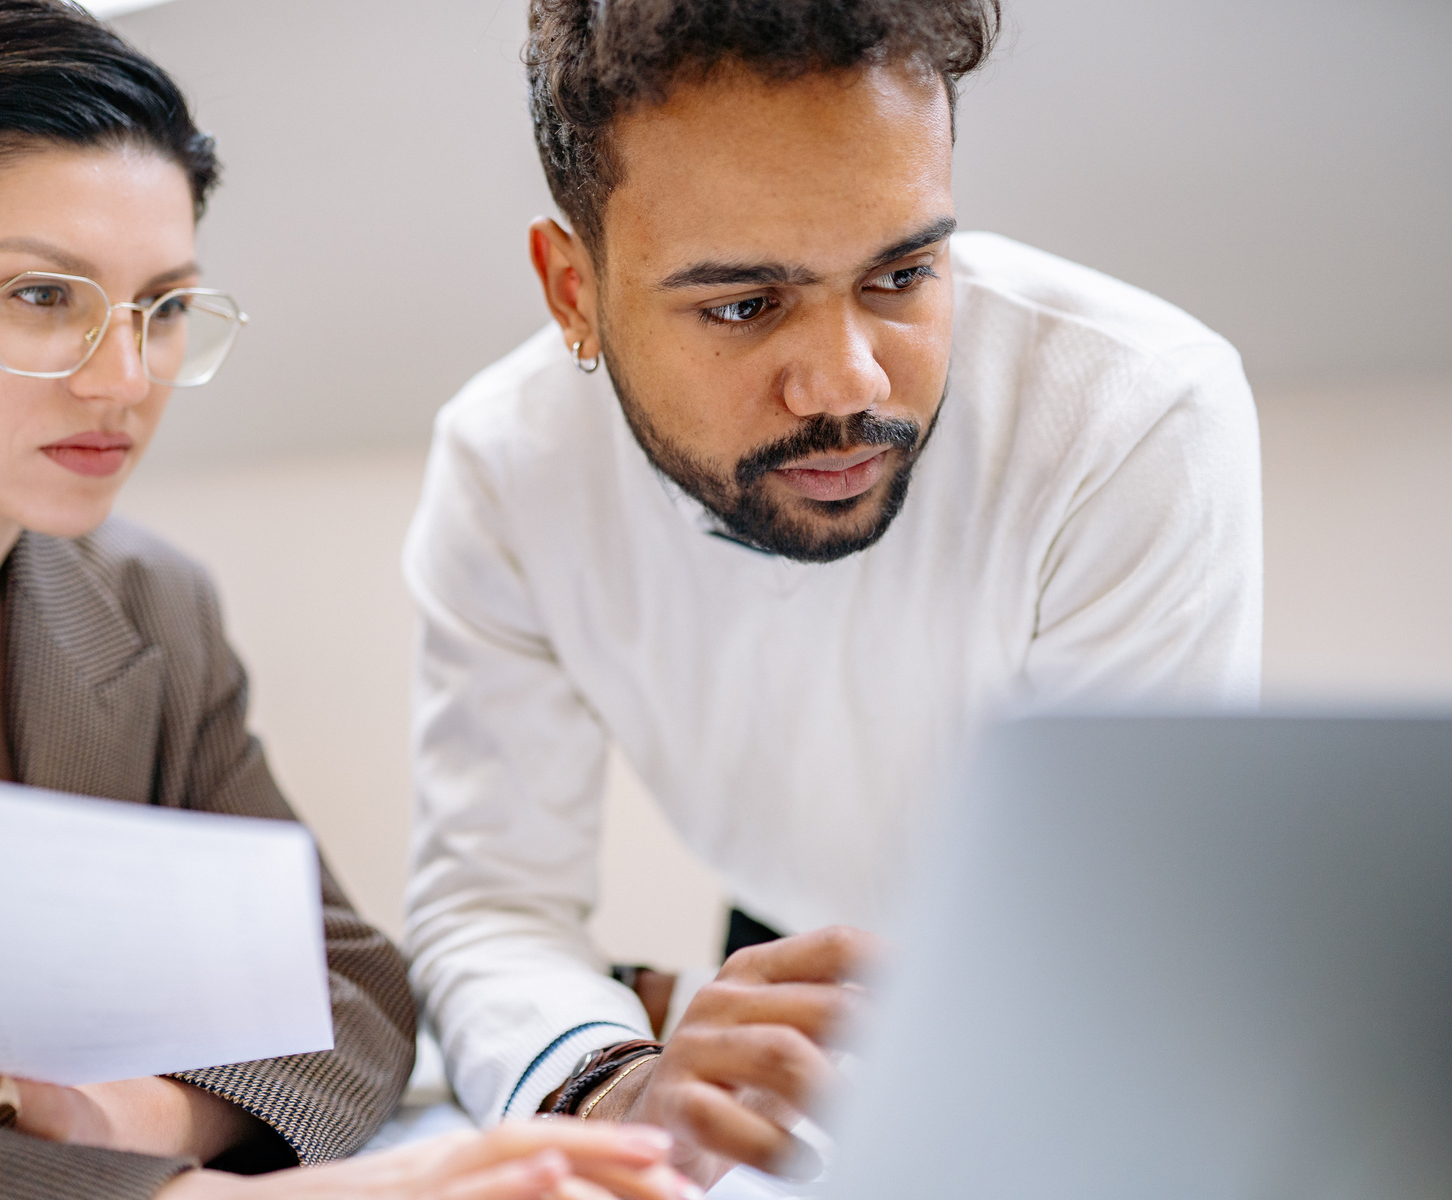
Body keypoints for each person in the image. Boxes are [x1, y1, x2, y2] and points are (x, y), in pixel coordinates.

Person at [0, 4, 691, 1200]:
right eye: (43, 296)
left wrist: (121, 1117)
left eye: (163, 306)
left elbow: (350, 990)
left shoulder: (153, 610)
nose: (124, 377)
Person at [402, 0, 1263, 1186]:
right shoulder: (504, 468)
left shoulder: (1132, 413)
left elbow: (1126, 930)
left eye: (902, 272)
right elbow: (491, 900)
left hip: (1071, 986)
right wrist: (618, 1077)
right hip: (781, 958)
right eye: (744, 305)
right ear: (574, 290)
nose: (848, 385)